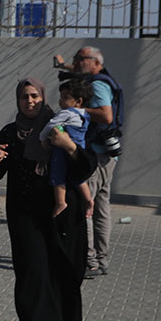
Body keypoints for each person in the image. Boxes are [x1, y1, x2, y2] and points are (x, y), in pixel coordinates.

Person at [0, 78, 95, 321]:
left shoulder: (63, 125)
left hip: (63, 213)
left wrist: (68, 146)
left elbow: (86, 167)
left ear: (42, 97)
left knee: (65, 268)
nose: (30, 102)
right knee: (32, 270)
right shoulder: (11, 132)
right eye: (24, 97)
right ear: (18, 101)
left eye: (34, 96)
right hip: (26, 213)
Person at [52, 46, 120, 279]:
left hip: (96, 156)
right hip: (105, 155)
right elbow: (77, 69)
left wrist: (78, 110)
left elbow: (106, 115)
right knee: (101, 206)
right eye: (76, 59)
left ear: (96, 63)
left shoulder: (98, 85)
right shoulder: (99, 78)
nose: (77, 62)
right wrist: (63, 65)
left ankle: (89, 260)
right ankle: (101, 259)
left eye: (81, 59)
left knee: (87, 206)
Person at [40, 78, 92, 218]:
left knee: (58, 175)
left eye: (65, 98)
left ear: (78, 101)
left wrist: (42, 138)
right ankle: (89, 199)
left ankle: (61, 202)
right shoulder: (85, 115)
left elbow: (51, 124)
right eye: (61, 97)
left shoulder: (67, 113)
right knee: (79, 178)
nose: (61, 101)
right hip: (78, 148)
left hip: (62, 150)